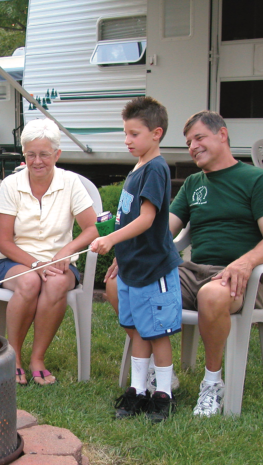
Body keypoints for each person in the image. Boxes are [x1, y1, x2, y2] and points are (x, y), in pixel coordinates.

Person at [106, 110, 263, 416]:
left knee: (211, 295)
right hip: (192, 272)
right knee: (117, 282)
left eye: (199, 138)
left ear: (222, 134)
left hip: (246, 277)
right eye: (188, 141)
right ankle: (158, 373)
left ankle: (213, 383)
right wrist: (129, 254)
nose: (193, 146)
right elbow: (164, 228)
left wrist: (245, 263)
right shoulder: (192, 184)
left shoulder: (257, 179)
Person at [92, 97, 182, 422]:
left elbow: (146, 218)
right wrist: (120, 253)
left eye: (134, 134)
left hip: (152, 270)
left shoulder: (156, 168)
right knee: (138, 331)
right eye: (125, 134)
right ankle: (138, 391)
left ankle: (163, 396)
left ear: (156, 133)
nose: (127, 140)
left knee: (157, 333)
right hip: (132, 268)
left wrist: (110, 239)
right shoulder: (139, 165)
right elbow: (126, 217)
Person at [0, 118, 98, 386]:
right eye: (31, 155)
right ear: (24, 155)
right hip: (14, 261)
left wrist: (67, 251)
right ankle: (12, 356)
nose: (37, 161)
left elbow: (93, 228)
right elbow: (4, 242)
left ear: (57, 154)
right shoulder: (10, 185)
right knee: (30, 280)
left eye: (44, 155)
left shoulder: (71, 183)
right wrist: (36, 263)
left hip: (59, 263)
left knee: (57, 283)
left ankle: (37, 358)